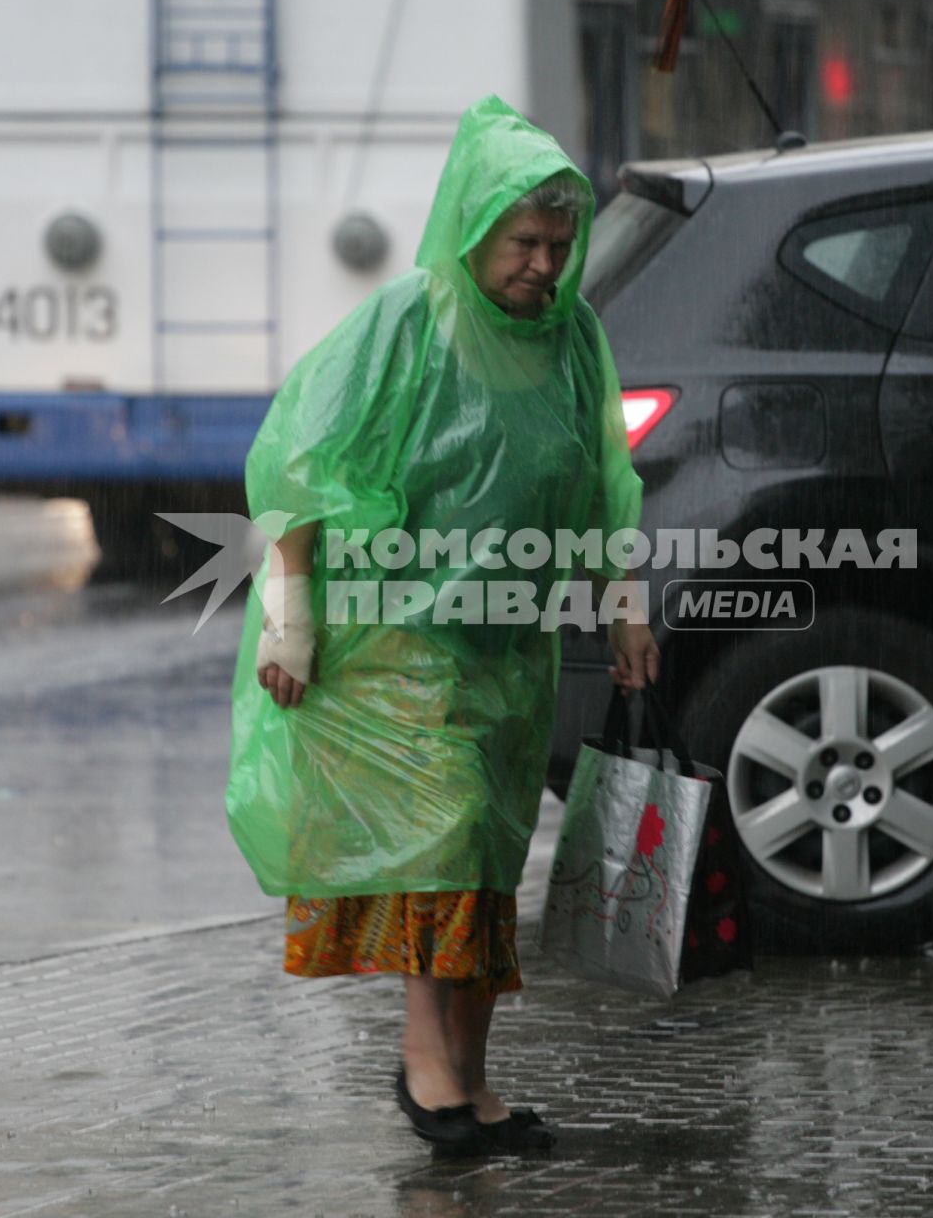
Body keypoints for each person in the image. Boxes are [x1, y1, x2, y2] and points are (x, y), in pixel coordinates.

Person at [224, 95, 659, 1153]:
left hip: (508, 643)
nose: (544, 265)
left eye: (560, 244)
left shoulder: (573, 340)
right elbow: (297, 469)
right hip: (393, 643)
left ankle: (471, 1076)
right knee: (447, 839)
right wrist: (289, 621)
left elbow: (604, 481)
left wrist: (626, 605)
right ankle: (427, 1066)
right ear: (472, 229)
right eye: (525, 242)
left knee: (493, 856)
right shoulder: (404, 327)